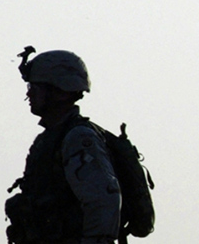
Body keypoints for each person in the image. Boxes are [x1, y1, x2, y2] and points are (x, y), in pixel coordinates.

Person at [6, 46, 121, 244]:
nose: (29, 94)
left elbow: (102, 201)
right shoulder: (50, 140)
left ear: (60, 92)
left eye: (35, 88)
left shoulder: (78, 138)